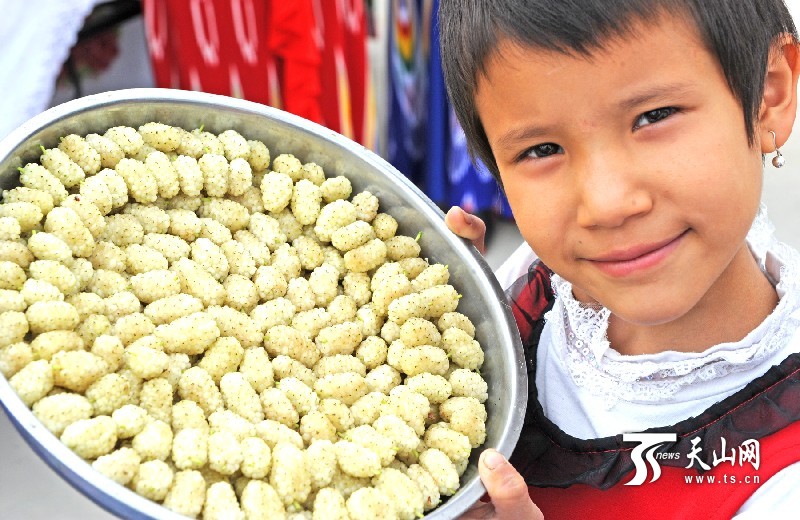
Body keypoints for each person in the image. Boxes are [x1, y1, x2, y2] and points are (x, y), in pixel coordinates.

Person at [438, 0, 800, 518]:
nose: (606, 205)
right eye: (541, 150)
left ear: (768, 94)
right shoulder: (522, 290)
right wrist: (459, 328)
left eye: (653, 116)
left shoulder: (785, 479)